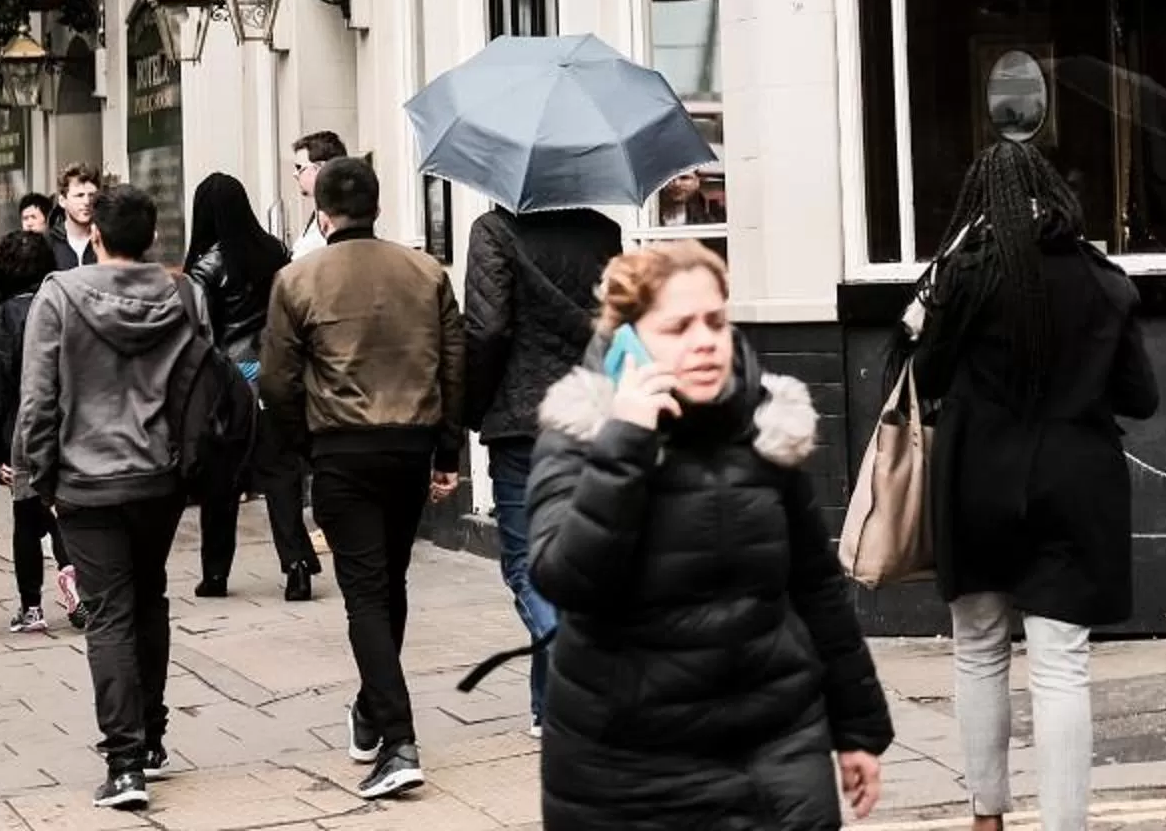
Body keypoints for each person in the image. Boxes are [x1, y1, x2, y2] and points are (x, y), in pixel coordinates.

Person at [527, 241, 890, 830]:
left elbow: (817, 590)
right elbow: (567, 578)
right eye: (677, 327)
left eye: (716, 321)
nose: (704, 341)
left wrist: (857, 729)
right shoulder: (582, 436)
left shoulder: (767, 432)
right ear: (627, 340)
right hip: (632, 773)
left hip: (776, 758)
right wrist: (625, 445)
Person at [911, 139, 1160, 831]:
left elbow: (923, 380)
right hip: (1075, 483)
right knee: (1061, 667)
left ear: (978, 203)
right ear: (1055, 197)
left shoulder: (962, 279)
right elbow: (1141, 398)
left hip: (975, 481)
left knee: (979, 648)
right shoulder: (1103, 281)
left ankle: (986, 817)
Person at [258, 156, 463, 800]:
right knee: (386, 581)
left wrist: (303, 449)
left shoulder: (297, 279)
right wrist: (447, 452)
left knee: (365, 594)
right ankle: (373, 713)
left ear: (322, 212)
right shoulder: (426, 270)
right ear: (377, 205)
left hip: (341, 447)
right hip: (409, 444)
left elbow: (277, 382)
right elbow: (455, 368)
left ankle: (398, 739)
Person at [15, 182, 207, 811]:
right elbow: (196, 385)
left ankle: (124, 762)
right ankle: (151, 735)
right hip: (160, 475)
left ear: (94, 233)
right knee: (148, 595)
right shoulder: (183, 293)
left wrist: (33, 477)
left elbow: (38, 398)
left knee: (108, 614)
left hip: (85, 478)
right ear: (151, 237)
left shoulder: (60, 295)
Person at [461, 198, 622, 735]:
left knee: (527, 567)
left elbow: (486, 330)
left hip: (525, 425)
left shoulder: (494, 231)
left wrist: (472, 407)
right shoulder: (603, 232)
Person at [184, 172, 320, 601]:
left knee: (220, 483)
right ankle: (297, 565)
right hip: (272, 373)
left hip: (228, 381)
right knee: (280, 474)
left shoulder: (206, 265)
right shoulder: (273, 251)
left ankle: (216, 574)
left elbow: (201, 332)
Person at [0, 228, 66, 636]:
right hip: (65, 427)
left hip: (20, 436)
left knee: (26, 522)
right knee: (64, 515)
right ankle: (76, 584)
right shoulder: (63, 307)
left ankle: (31, 607)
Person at [279, 130, 351, 256]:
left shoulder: (340, 216)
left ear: (321, 168)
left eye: (299, 167)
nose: (295, 174)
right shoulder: (320, 211)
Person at [51, 165, 100, 272]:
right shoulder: (49, 243)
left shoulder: (106, 240)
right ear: (62, 201)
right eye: (79, 195)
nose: (87, 202)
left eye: (91, 195)